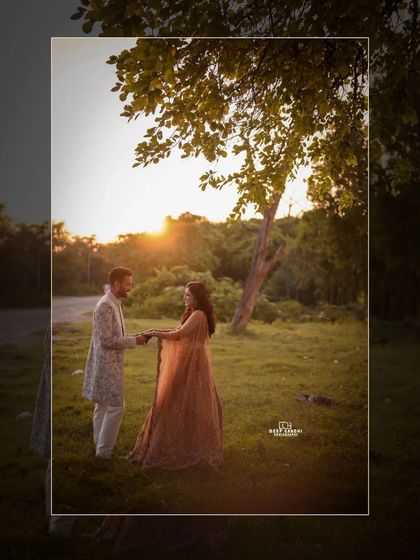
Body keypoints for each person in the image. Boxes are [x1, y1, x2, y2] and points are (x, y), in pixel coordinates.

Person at [128, 281, 223, 470]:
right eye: (185, 294)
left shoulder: (198, 314)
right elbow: (177, 332)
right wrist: (151, 332)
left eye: (188, 295)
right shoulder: (194, 313)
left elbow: (179, 334)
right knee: (181, 400)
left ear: (197, 297)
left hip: (193, 364)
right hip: (189, 361)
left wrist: (154, 332)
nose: (184, 297)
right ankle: (186, 445)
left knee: (179, 400)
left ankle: (185, 447)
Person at [82, 267, 146, 459]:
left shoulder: (114, 302)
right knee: (115, 407)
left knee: (102, 405)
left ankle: (99, 448)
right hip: (106, 365)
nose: (130, 288)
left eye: (131, 284)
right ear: (116, 284)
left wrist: (136, 337)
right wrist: (135, 340)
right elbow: (106, 341)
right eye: (127, 284)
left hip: (109, 363)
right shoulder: (105, 306)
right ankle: (104, 453)